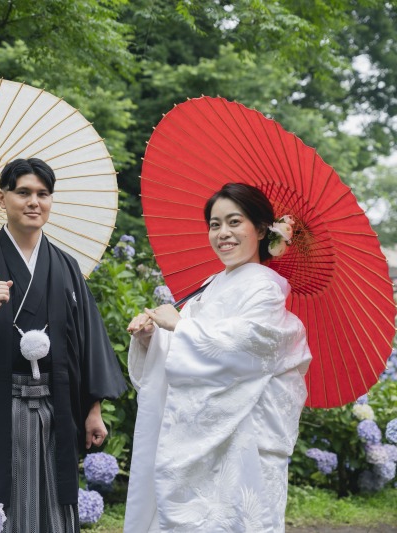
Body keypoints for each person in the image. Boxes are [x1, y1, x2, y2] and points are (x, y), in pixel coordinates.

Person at [0, 158, 127, 532]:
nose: (33, 202)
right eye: (23, 192)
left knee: (54, 503)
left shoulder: (66, 266)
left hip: (58, 406)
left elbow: (88, 339)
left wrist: (93, 408)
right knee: (1, 503)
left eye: (43, 194)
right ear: (2, 198)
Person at [123, 183, 312, 533]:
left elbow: (248, 348)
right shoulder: (210, 285)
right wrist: (152, 338)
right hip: (202, 429)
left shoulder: (265, 288)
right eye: (214, 224)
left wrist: (181, 327)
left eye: (234, 222)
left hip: (243, 436)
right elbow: (182, 349)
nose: (223, 233)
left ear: (260, 228)